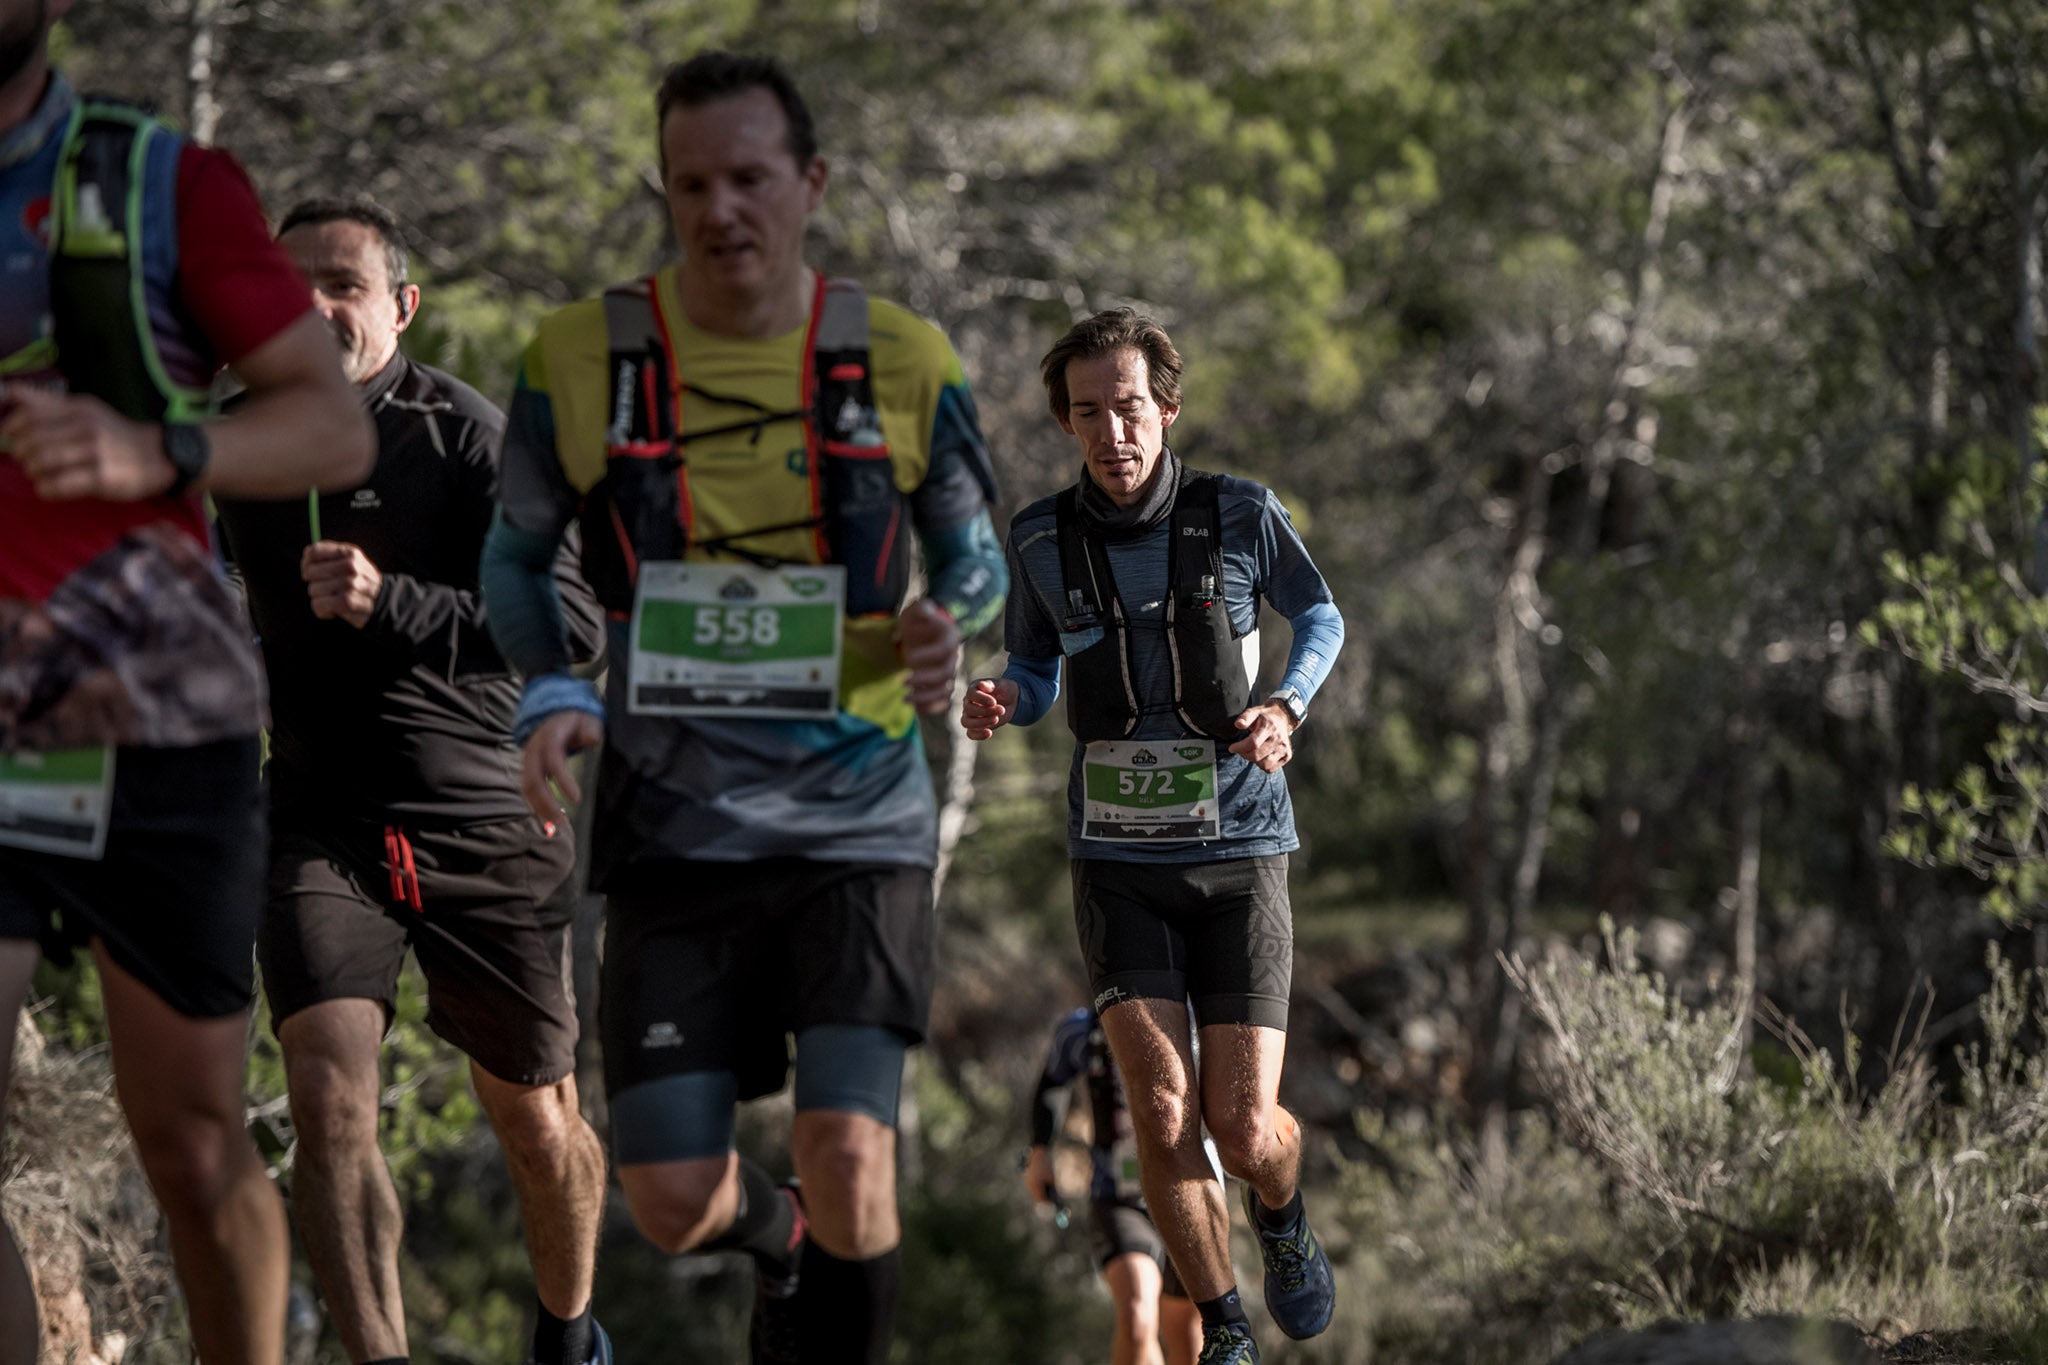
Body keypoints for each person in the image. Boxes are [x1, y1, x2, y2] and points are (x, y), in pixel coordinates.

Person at [479, 50, 1006, 1365]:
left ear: (810, 185)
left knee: (853, 1149)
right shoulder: (581, 359)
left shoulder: (901, 357)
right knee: (662, 1199)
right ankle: (781, 1243)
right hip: (671, 821)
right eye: (691, 183)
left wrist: (950, 616)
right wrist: (549, 681)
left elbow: (975, 548)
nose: (721, 210)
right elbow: (513, 552)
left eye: (751, 179)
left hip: (859, 815)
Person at [0, 1, 374, 1360]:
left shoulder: (161, 183)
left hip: (149, 721)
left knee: (195, 1143)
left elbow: (327, 418)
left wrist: (152, 448)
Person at [213, 197, 611, 1365]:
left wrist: (398, 604)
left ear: (402, 305)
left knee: (535, 1120)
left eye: (342, 284)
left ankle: (568, 1330)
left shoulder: (468, 438)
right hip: (321, 820)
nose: (315, 308)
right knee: (329, 1096)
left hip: (485, 816)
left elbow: (573, 621)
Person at [961, 309, 1346, 1365]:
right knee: (1161, 1110)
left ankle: (1280, 1212)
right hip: (1116, 860)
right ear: (1065, 423)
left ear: (1165, 410)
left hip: (1239, 851)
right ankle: (1222, 1326)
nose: (1110, 432)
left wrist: (1285, 706)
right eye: (1086, 413)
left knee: (1240, 1125)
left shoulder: (1237, 515)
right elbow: (1036, 665)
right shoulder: (1041, 537)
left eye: (1127, 407)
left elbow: (1319, 615)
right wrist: (1004, 692)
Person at [1025, 1005, 1204, 1365]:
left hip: (1191, 1194)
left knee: (1187, 1335)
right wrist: (1039, 1152)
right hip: (1117, 1196)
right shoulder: (1083, 1031)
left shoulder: (1197, 1020)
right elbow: (1052, 1081)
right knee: (1137, 1314)